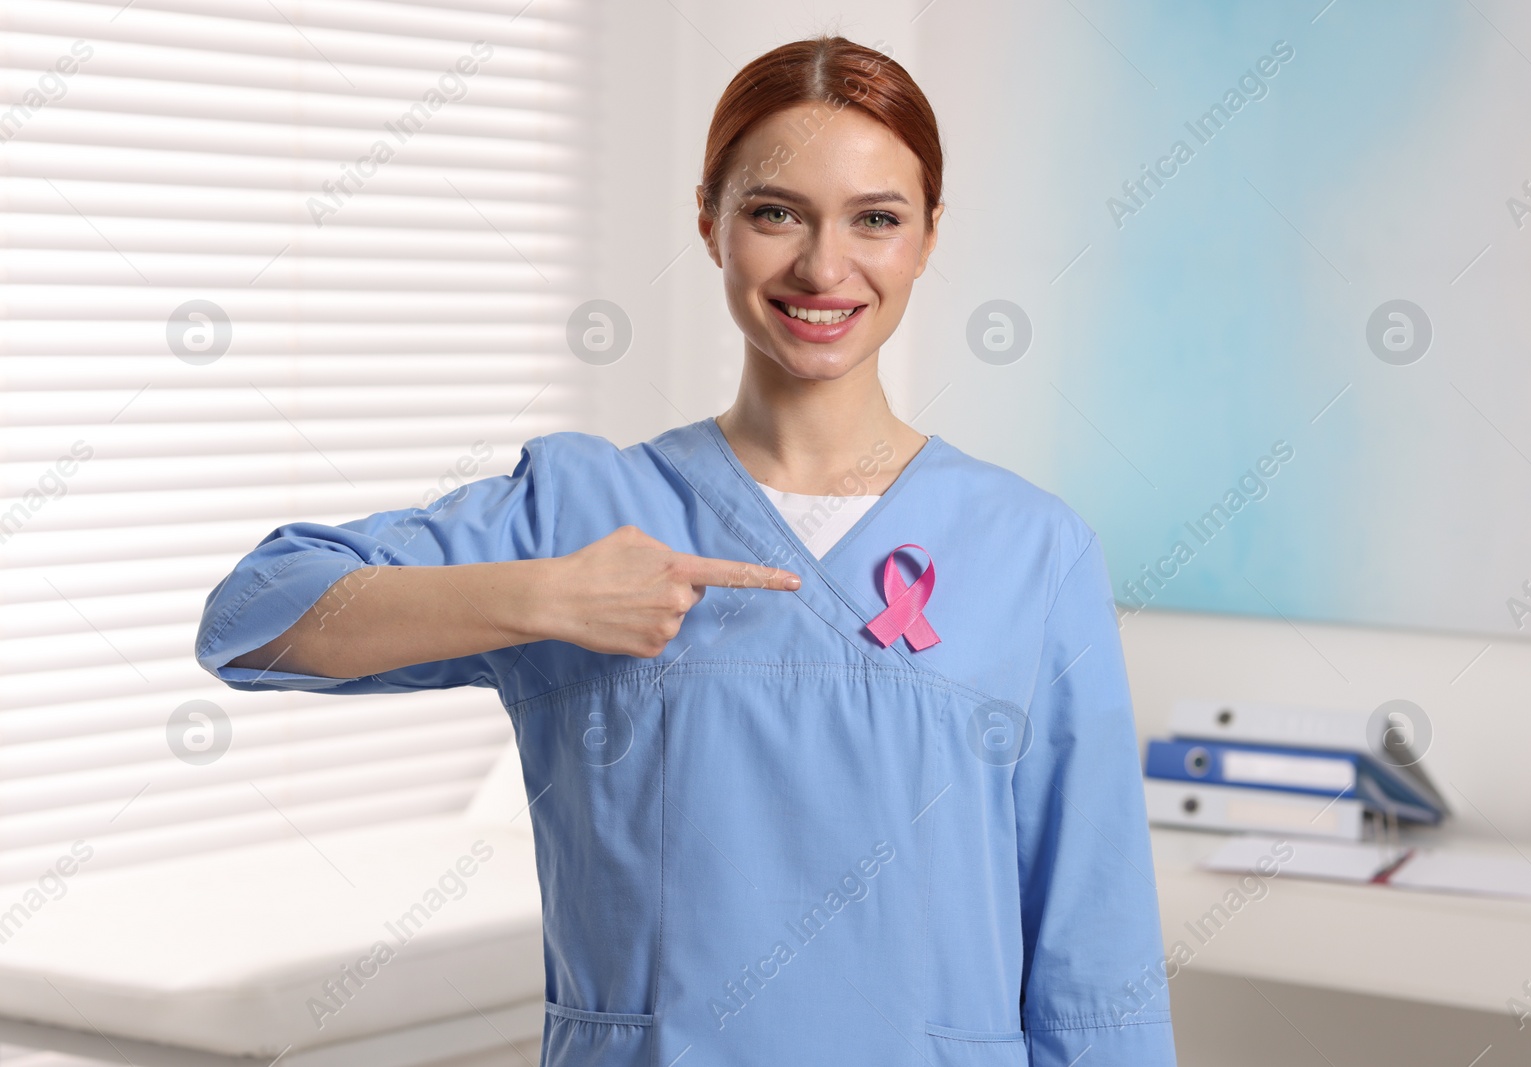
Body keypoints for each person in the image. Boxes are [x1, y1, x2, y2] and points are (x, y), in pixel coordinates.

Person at [196, 35, 1176, 1067]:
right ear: (707, 220)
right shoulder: (587, 512)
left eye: (875, 219)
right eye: (774, 212)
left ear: (929, 235)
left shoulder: (1032, 549)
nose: (822, 267)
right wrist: (547, 595)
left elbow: (1094, 964)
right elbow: (250, 618)